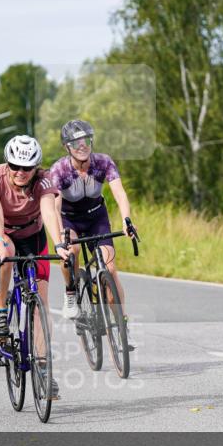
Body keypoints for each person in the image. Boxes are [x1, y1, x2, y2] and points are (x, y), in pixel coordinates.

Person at [0, 135, 70, 399]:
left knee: (41, 303)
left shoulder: (44, 180)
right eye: (15, 166)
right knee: (5, 252)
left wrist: (60, 245)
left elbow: (50, 214)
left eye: (26, 168)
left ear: (35, 167)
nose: (20, 172)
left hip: (32, 236)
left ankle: (43, 368)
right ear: (8, 163)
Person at [48, 120, 136, 343]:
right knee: (73, 251)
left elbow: (119, 193)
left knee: (111, 269)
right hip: (70, 220)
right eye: (75, 143)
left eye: (86, 140)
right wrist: (60, 239)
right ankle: (71, 291)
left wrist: (127, 220)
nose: (82, 146)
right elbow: (55, 207)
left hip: (97, 216)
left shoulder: (103, 162)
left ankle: (122, 325)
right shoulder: (60, 170)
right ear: (67, 147)